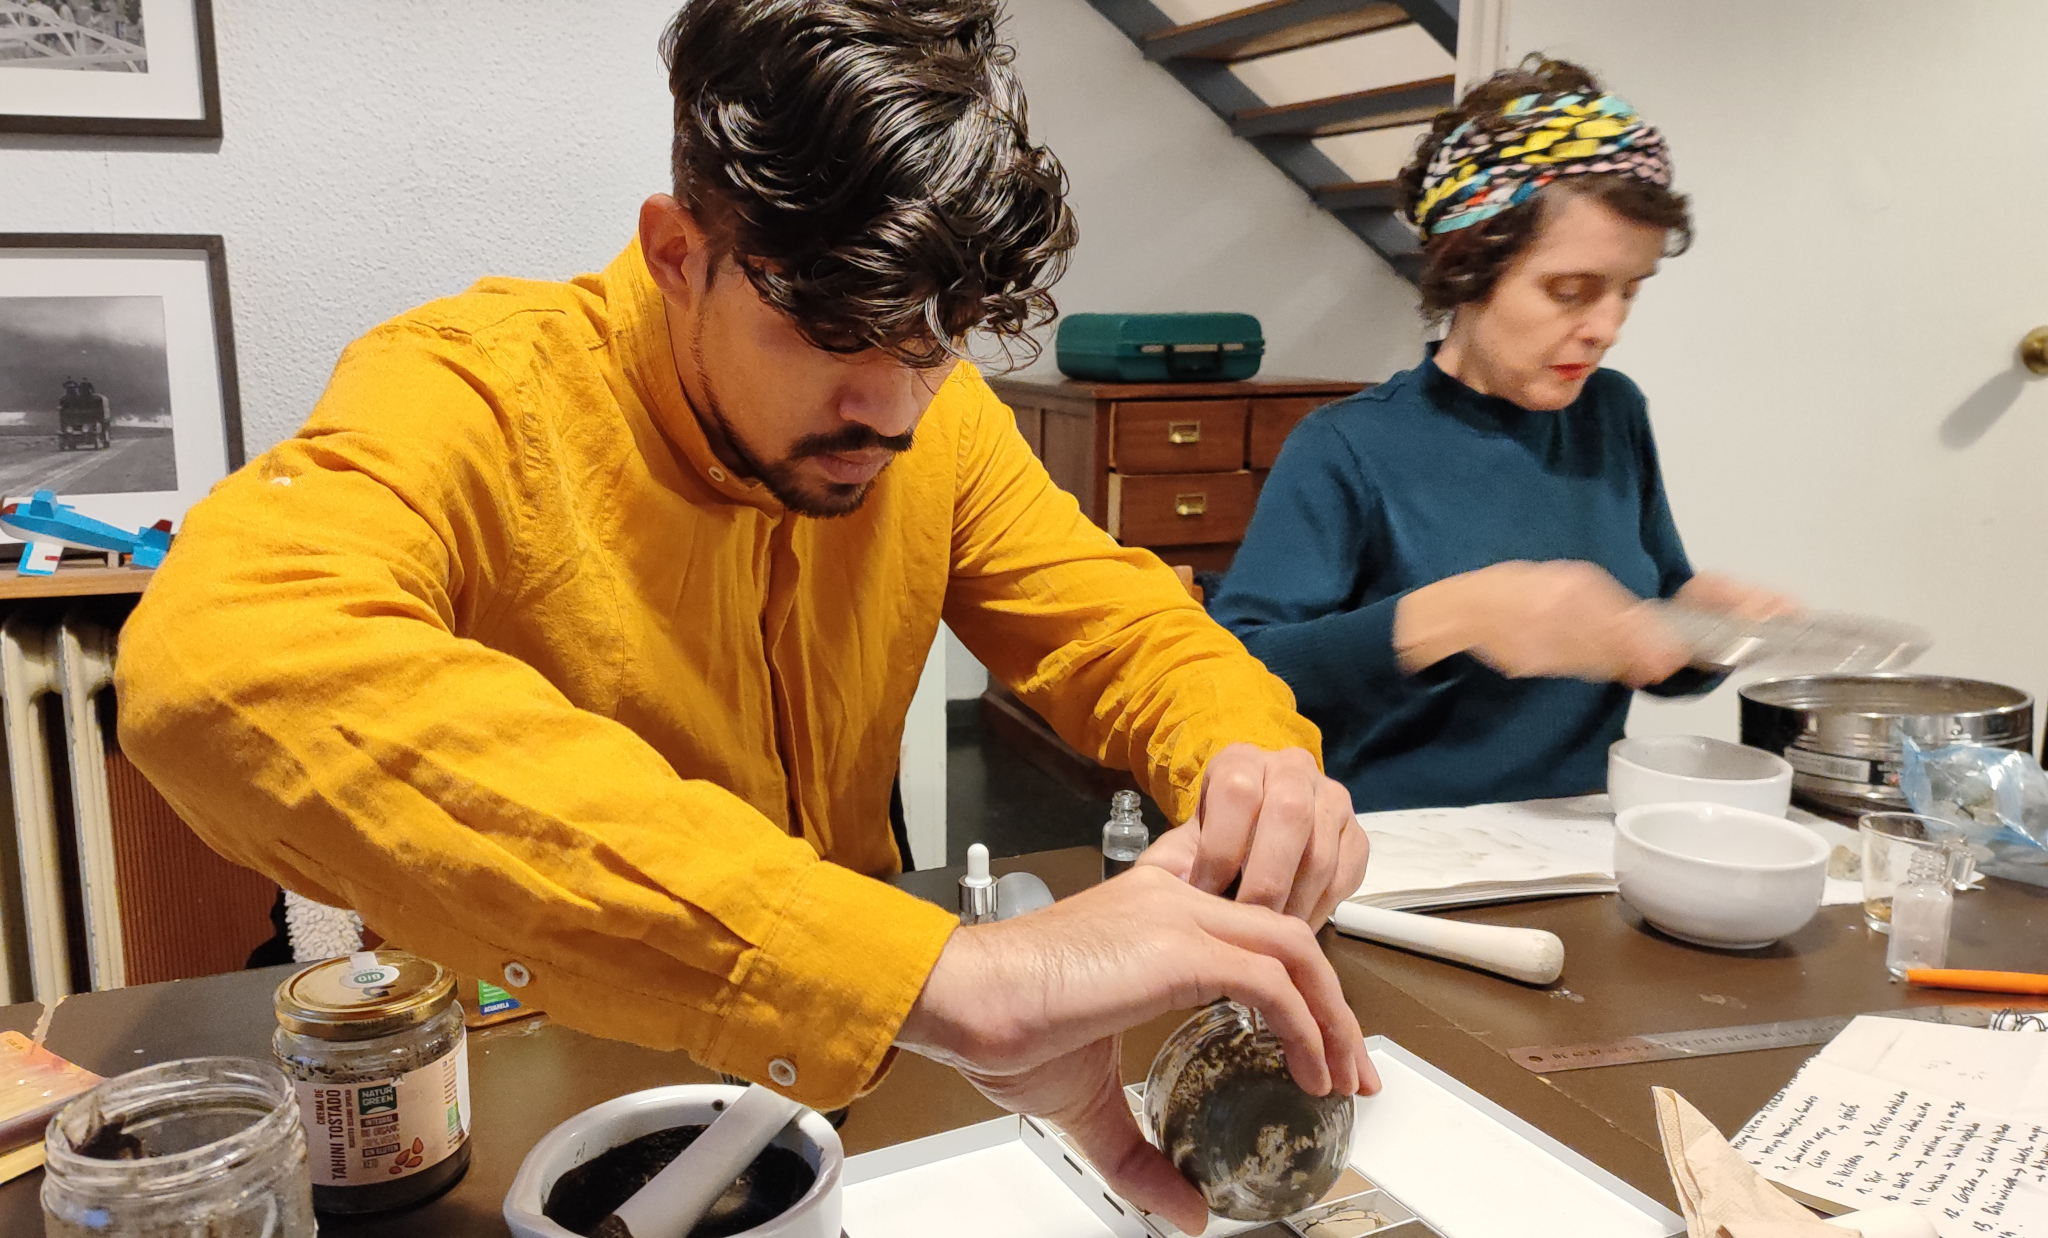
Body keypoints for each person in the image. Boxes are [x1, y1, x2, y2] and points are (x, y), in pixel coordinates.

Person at [117, 2, 1373, 1228]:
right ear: (678, 253)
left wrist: (1247, 755)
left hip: (875, 1049)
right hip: (531, 1060)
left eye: (938, 336)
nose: (889, 409)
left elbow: (1117, 623)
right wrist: (941, 972)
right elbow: (214, 661)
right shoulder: (475, 386)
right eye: (827, 332)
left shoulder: (937, 423)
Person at [1210, 58, 1790, 815]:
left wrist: (1702, 622)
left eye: (1629, 291)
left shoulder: (1613, 414)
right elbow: (1239, 667)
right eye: (1569, 291)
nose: (1607, 328)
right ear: (1468, 269)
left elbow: (1647, 632)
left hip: (1580, 840)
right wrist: (1454, 617)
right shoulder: (1346, 448)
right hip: (1396, 847)